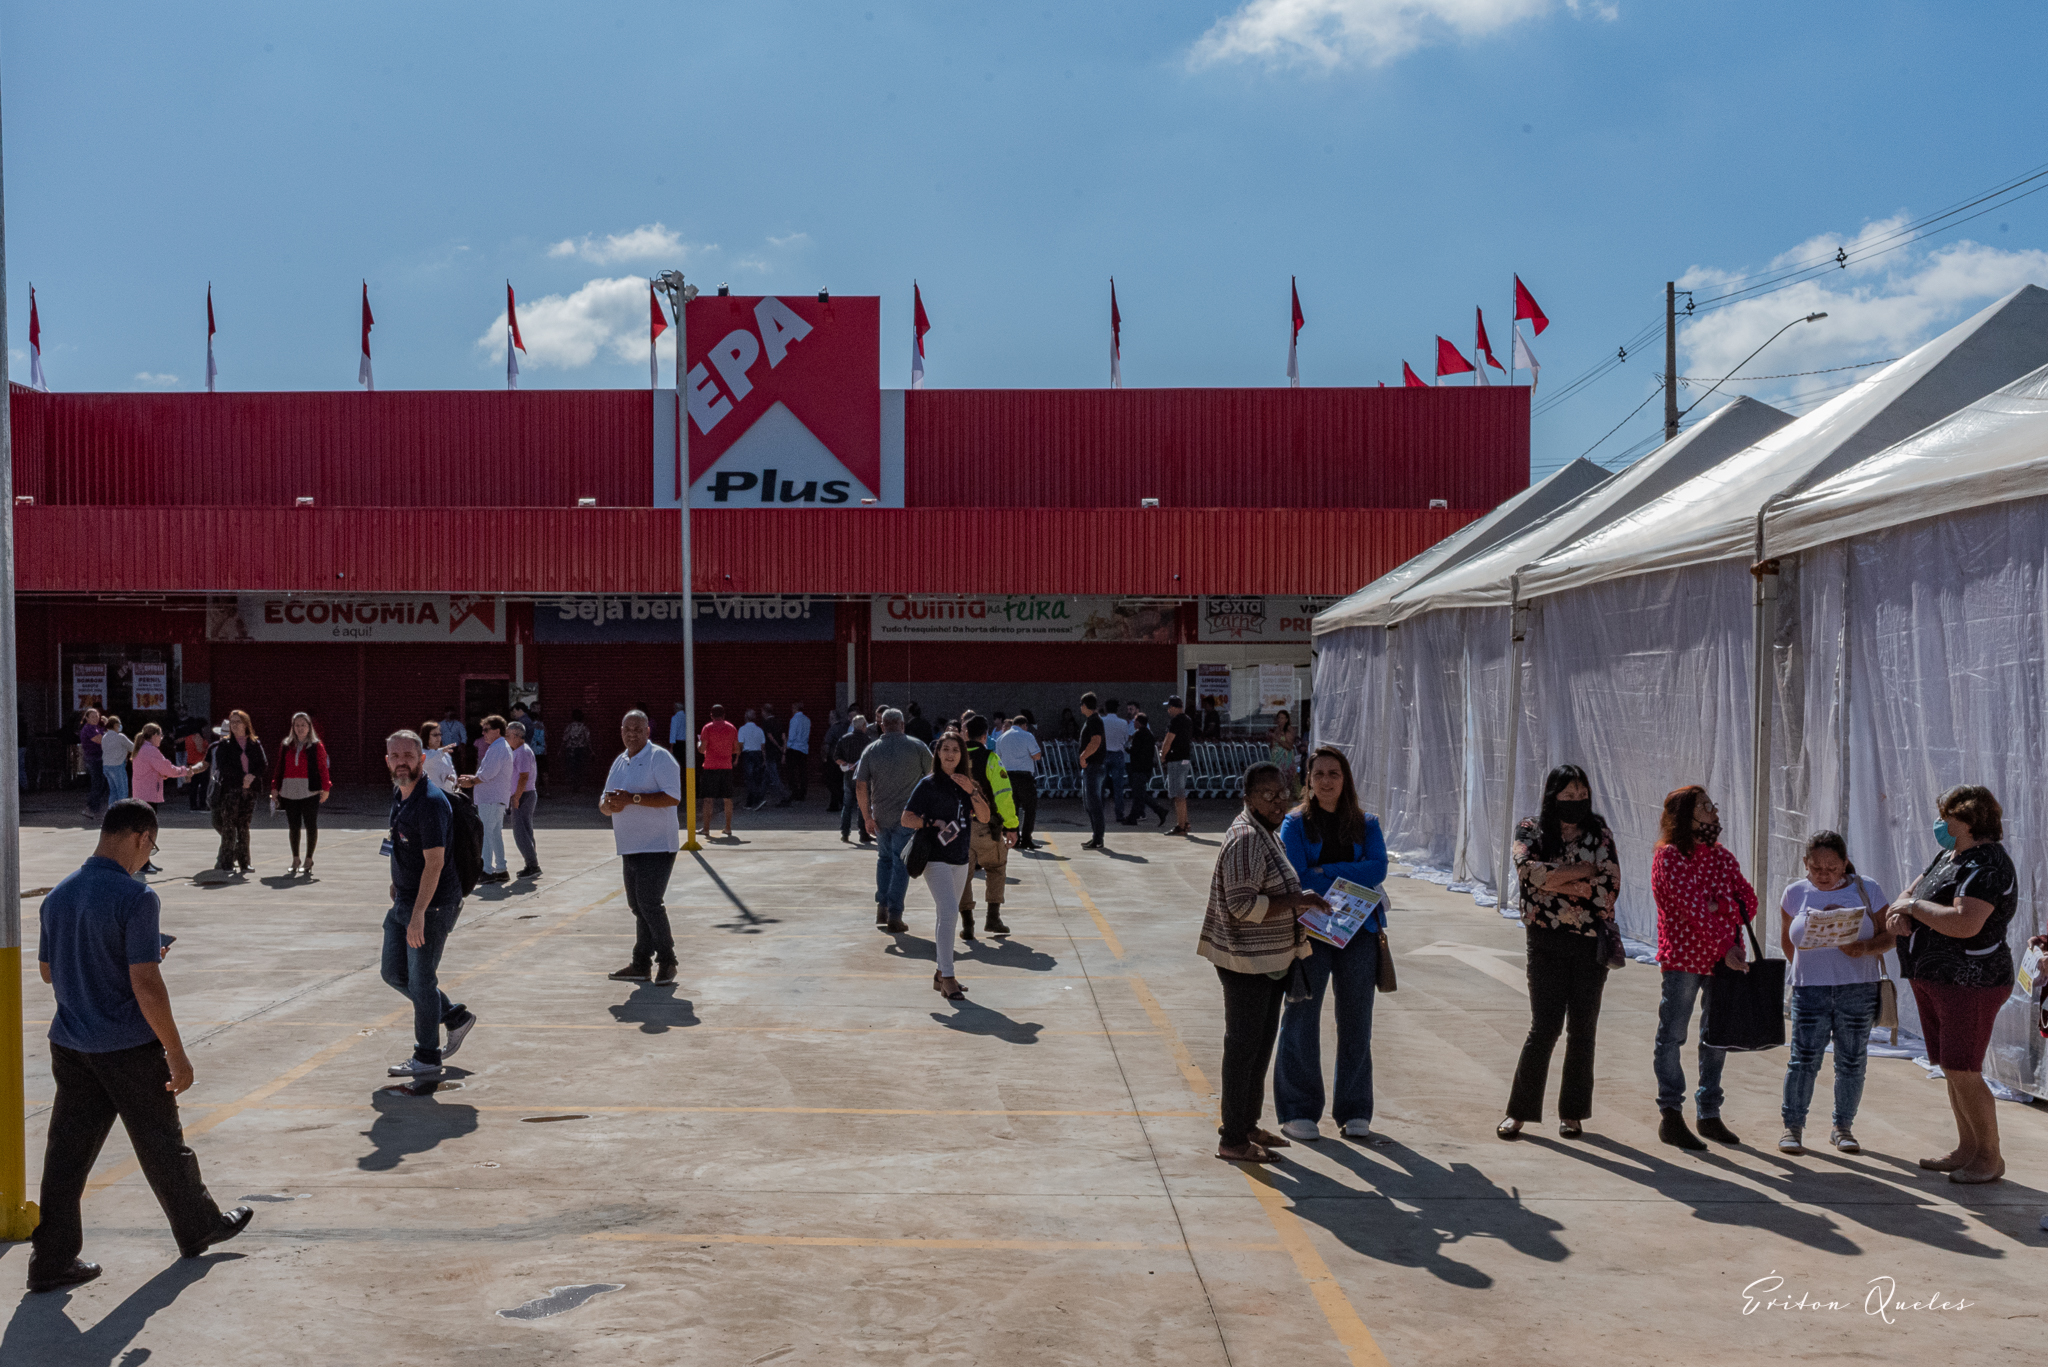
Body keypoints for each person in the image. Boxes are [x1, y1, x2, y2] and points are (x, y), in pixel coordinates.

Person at [28, 800, 254, 1293]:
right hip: (126, 1046)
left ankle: (51, 1260)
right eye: (151, 844)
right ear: (139, 836)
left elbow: (49, 972)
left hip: (71, 1044)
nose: (147, 854)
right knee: (162, 1145)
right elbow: (145, 983)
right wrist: (176, 1050)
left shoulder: (58, 896)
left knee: (66, 1156)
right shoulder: (137, 898)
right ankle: (199, 1226)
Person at [1887, 785, 2019, 1185]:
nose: (1940, 824)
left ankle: (1989, 1158)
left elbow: (1964, 922)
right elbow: (1912, 891)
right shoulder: (1951, 855)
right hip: (1934, 977)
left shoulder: (1988, 865)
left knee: (1964, 1068)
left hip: (1971, 981)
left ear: (1965, 820)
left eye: (1946, 816)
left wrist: (1911, 909)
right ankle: (1967, 1148)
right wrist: (1900, 909)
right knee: (1951, 1067)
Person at [1201, 762, 1327, 1164]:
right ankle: (1233, 1138)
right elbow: (1241, 905)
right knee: (1243, 1049)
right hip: (1245, 962)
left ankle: (1248, 1123)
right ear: (1248, 796)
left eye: (1283, 793)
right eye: (1268, 795)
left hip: (1268, 958)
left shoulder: (1266, 834)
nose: (1278, 803)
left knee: (1258, 1047)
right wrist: (1298, 901)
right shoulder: (1246, 839)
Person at [1272, 747, 1390, 1143]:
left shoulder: (1367, 823)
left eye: (1334, 773)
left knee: (1357, 1020)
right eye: (1318, 773)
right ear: (1308, 779)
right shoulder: (1294, 823)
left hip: (1360, 934)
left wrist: (1327, 871)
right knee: (1301, 1016)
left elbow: (1378, 868)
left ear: (1346, 779)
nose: (1326, 780)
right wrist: (1342, 878)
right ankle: (1298, 1110)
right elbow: (1298, 874)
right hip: (1312, 933)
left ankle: (1355, 1110)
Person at [1498, 764, 1622, 1140]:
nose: (1576, 802)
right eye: (1567, 796)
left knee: (1583, 1030)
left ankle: (1572, 1113)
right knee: (1545, 1027)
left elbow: (1607, 887)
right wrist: (1581, 873)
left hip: (1589, 944)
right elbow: (1527, 874)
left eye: (1581, 795)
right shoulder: (1530, 828)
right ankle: (1518, 1112)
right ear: (1553, 797)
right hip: (1545, 943)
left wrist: (1556, 881)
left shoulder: (1599, 832)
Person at [1651, 785, 1757, 1151]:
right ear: (1685, 816)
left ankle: (1708, 1112)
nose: (1713, 812)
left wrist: (1719, 906)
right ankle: (1671, 1113)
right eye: (1704, 807)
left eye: (1713, 805)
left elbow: (1748, 901)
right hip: (1684, 958)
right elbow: (1692, 910)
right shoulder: (1669, 858)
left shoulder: (1721, 857)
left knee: (1716, 1038)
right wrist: (1723, 931)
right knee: (1673, 1035)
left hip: (1721, 959)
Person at [1776, 831, 1894, 1155]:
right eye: (1816, 868)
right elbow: (1788, 941)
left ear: (1844, 864)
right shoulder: (1794, 893)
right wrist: (1809, 970)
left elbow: (1891, 937)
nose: (1824, 875)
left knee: (1852, 1061)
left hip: (1857, 989)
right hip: (1809, 991)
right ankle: (1793, 1126)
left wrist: (1865, 948)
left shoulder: (1867, 889)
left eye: (1832, 868)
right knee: (1803, 1060)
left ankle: (1843, 1127)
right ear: (1805, 864)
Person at [380, 731, 477, 1080]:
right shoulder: (400, 793)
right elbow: (400, 843)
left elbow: (435, 863)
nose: (401, 760)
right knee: (393, 972)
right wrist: (397, 879)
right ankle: (453, 1016)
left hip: (433, 904)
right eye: (395, 755)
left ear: (422, 759)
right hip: (407, 897)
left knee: (421, 982)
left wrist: (419, 914)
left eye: (408, 754)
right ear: (388, 760)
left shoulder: (431, 802)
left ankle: (427, 1056)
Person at [902, 733, 992, 1000]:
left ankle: (941, 972)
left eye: (956, 750)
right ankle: (949, 978)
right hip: (935, 857)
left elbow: (985, 816)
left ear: (963, 755)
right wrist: (932, 822)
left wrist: (972, 791)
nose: (950, 754)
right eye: (945, 749)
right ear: (938, 754)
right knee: (950, 911)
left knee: (947, 917)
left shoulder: (966, 785)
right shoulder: (928, 785)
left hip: (960, 858)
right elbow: (907, 818)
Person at [600, 709, 685, 985]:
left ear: (648, 730)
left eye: (637, 729)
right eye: (627, 729)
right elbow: (605, 800)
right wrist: (607, 805)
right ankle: (640, 964)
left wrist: (632, 799)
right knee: (638, 906)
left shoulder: (660, 758)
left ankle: (667, 961)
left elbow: (672, 798)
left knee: (650, 902)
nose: (632, 733)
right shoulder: (620, 761)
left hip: (658, 844)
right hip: (630, 845)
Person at [855, 709, 933, 932]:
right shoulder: (917, 746)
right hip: (908, 816)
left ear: (881, 725)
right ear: (902, 725)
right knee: (900, 864)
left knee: (884, 859)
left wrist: (866, 817)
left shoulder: (870, 750)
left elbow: (860, 785)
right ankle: (895, 914)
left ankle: (882, 906)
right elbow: (934, 775)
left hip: (880, 816)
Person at [957, 717, 1020, 938]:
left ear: (965, 734)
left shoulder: (953, 758)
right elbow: (1003, 795)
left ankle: (967, 924)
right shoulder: (991, 759)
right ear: (985, 736)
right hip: (986, 827)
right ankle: (993, 918)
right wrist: (1011, 826)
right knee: (996, 868)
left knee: (961, 874)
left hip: (958, 828)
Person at [130, 723, 204, 873]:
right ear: (155, 735)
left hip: (142, 794)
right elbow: (167, 768)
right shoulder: (151, 750)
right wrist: (186, 771)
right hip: (148, 795)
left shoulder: (143, 749)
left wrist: (162, 774)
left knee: (145, 829)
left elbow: (155, 770)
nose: (161, 739)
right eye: (160, 735)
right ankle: (143, 863)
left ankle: (144, 861)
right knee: (148, 830)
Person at [270, 711, 333, 878]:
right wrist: (275, 787)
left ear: (309, 727)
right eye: (297, 725)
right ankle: (295, 859)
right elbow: (279, 767)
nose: (300, 728)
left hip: (309, 789)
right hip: (289, 789)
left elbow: (322, 768)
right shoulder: (286, 745)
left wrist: (326, 787)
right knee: (294, 826)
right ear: (293, 727)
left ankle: (308, 859)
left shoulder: (316, 745)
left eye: (303, 725)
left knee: (310, 825)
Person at [207, 711, 266, 875]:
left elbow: (262, 764)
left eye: (238, 722)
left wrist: (252, 777)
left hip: (250, 790)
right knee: (228, 826)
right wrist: (242, 778)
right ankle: (226, 862)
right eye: (232, 722)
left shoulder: (254, 743)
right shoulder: (225, 745)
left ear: (246, 724)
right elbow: (223, 766)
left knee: (244, 826)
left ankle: (245, 862)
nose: (234, 725)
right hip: (231, 789)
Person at [459, 715, 514, 883]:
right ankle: (501, 869)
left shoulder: (498, 748)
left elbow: (488, 773)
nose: (483, 733)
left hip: (490, 798)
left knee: (487, 835)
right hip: (495, 798)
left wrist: (472, 781)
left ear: (497, 731)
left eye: (486, 730)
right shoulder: (499, 746)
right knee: (495, 834)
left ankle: (487, 871)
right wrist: (473, 777)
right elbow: (488, 773)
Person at [993, 712, 1043, 850]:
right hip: (1025, 777)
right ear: (1024, 725)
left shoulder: (1001, 738)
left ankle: (1014, 838)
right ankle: (1026, 839)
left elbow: (998, 759)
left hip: (1008, 777)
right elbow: (1037, 755)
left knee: (1012, 808)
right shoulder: (1027, 736)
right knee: (1029, 809)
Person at [1121, 711, 1171, 827]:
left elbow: (1135, 751)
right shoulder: (1149, 734)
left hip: (1139, 768)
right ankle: (1134, 817)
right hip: (1146, 768)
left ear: (1138, 722)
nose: (1134, 724)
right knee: (1139, 794)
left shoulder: (1139, 734)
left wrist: (1126, 749)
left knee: (1139, 793)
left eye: (1135, 721)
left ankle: (1158, 810)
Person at [697, 703, 739, 838]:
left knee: (708, 799)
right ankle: (728, 827)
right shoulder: (732, 728)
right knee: (727, 798)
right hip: (726, 766)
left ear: (711, 715)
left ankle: (706, 829)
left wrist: (698, 744)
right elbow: (736, 749)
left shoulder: (707, 728)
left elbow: (702, 749)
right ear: (724, 715)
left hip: (710, 766)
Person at [506, 720, 541, 880]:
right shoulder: (520, 751)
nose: (506, 738)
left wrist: (516, 798)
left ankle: (532, 865)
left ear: (517, 735)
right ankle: (531, 864)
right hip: (525, 794)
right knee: (526, 831)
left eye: (508, 735)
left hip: (524, 794)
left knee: (521, 833)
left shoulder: (522, 752)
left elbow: (523, 776)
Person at [1077, 693, 1111, 851]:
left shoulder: (1095, 721)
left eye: (1081, 704)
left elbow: (1096, 741)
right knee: (1089, 804)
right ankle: (1095, 837)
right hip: (1092, 767)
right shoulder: (1092, 720)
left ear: (1085, 705)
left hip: (1093, 767)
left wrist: (1083, 756)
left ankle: (1098, 838)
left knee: (1094, 804)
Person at [1159, 696, 1196, 836]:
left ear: (1174, 707)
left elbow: (1168, 741)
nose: (1168, 710)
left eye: (1169, 707)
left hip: (1176, 760)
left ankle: (1180, 826)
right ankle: (1185, 822)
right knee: (1181, 792)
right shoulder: (1187, 720)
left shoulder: (1175, 721)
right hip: (1185, 759)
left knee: (1177, 794)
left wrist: (1163, 756)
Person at [834, 714, 872, 844]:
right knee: (863, 805)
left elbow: (836, 757)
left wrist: (846, 764)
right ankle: (863, 833)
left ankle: (845, 833)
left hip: (848, 776)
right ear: (863, 726)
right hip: (863, 777)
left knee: (847, 805)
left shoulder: (844, 739)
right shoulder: (868, 741)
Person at [1100, 697, 1132, 823]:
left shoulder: (1101, 721)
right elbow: (1126, 740)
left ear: (1106, 709)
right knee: (1118, 787)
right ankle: (1119, 814)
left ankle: (1100, 813)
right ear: (1117, 709)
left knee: (1101, 785)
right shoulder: (1123, 723)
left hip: (1104, 754)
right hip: (1118, 754)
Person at [737, 709, 770, 811]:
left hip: (748, 754)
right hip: (758, 755)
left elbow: (741, 744)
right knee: (756, 779)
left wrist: (737, 757)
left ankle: (757, 799)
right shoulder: (759, 730)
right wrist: (764, 759)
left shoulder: (742, 729)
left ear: (745, 717)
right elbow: (763, 746)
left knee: (749, 779)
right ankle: (750, 802)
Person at [780, 701, 812, 805]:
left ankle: (795, 792)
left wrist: (786, 749)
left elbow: (792, 736)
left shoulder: (794, 720)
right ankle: (803, 793)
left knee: (792, 772)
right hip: (804, 748)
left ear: (794, 709)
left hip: (794, 748)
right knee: (803, 772)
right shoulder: (807, 720)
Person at [78, 707, 107, 820]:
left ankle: (93, 807)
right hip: (93, 759)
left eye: (97, 716)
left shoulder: (96, 728)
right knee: (97, 784)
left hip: (98, 759)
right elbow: (100, 740)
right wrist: (107, 730)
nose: (95, 718)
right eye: (93, 716)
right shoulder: (89, 728)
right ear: (87, 718)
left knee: (102, 784)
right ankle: (91, 808)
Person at [419, 720, 461, 795]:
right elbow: (427, 759)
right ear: (426, 736)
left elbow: (452, 771)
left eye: (440, 734)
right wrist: (441, 751)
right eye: (435, 735)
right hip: (429, 796)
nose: (438, 738)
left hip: (447, 794)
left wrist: (452, 779)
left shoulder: (445, 754)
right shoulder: (420, 752)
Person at [99, 717, 134, 808]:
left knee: (113, 791)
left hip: (106, 766)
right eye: (118, 724)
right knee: (122, 792)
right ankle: (122, 814)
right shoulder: (120, 737)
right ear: (115, 725)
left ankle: (111, 812)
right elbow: (133, 748)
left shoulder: (104, 737)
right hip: (117, 765)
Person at [821, 709, 848, 813]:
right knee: (838, 781)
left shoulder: (832, 729)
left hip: (833, 759)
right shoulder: (844, 728)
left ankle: (840, 799)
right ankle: (834, 804)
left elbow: (827, 744)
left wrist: (824, 757)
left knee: (830, 781)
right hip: (843, 758)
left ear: (832, 718)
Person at [1268, 710, 1299, 796]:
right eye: (1279, 718)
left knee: (1286, 778)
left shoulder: (1288, 730)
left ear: (1286, 719)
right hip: (1276, 757)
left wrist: (1277, 738)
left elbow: (1289, 746)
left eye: (1282, 718)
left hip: (1285, 758)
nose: (1280, 720)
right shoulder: (1277, 729)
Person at [563, 708, 593, 790]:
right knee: (580, 767)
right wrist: (591, 750)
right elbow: (588, 739)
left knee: (571, 767)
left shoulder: (569, 726)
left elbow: (565, 738)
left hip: (570, 749)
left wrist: (561, 749)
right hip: (581, 749)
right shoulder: (584, 727)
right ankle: (578, 784)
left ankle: (573, 784)